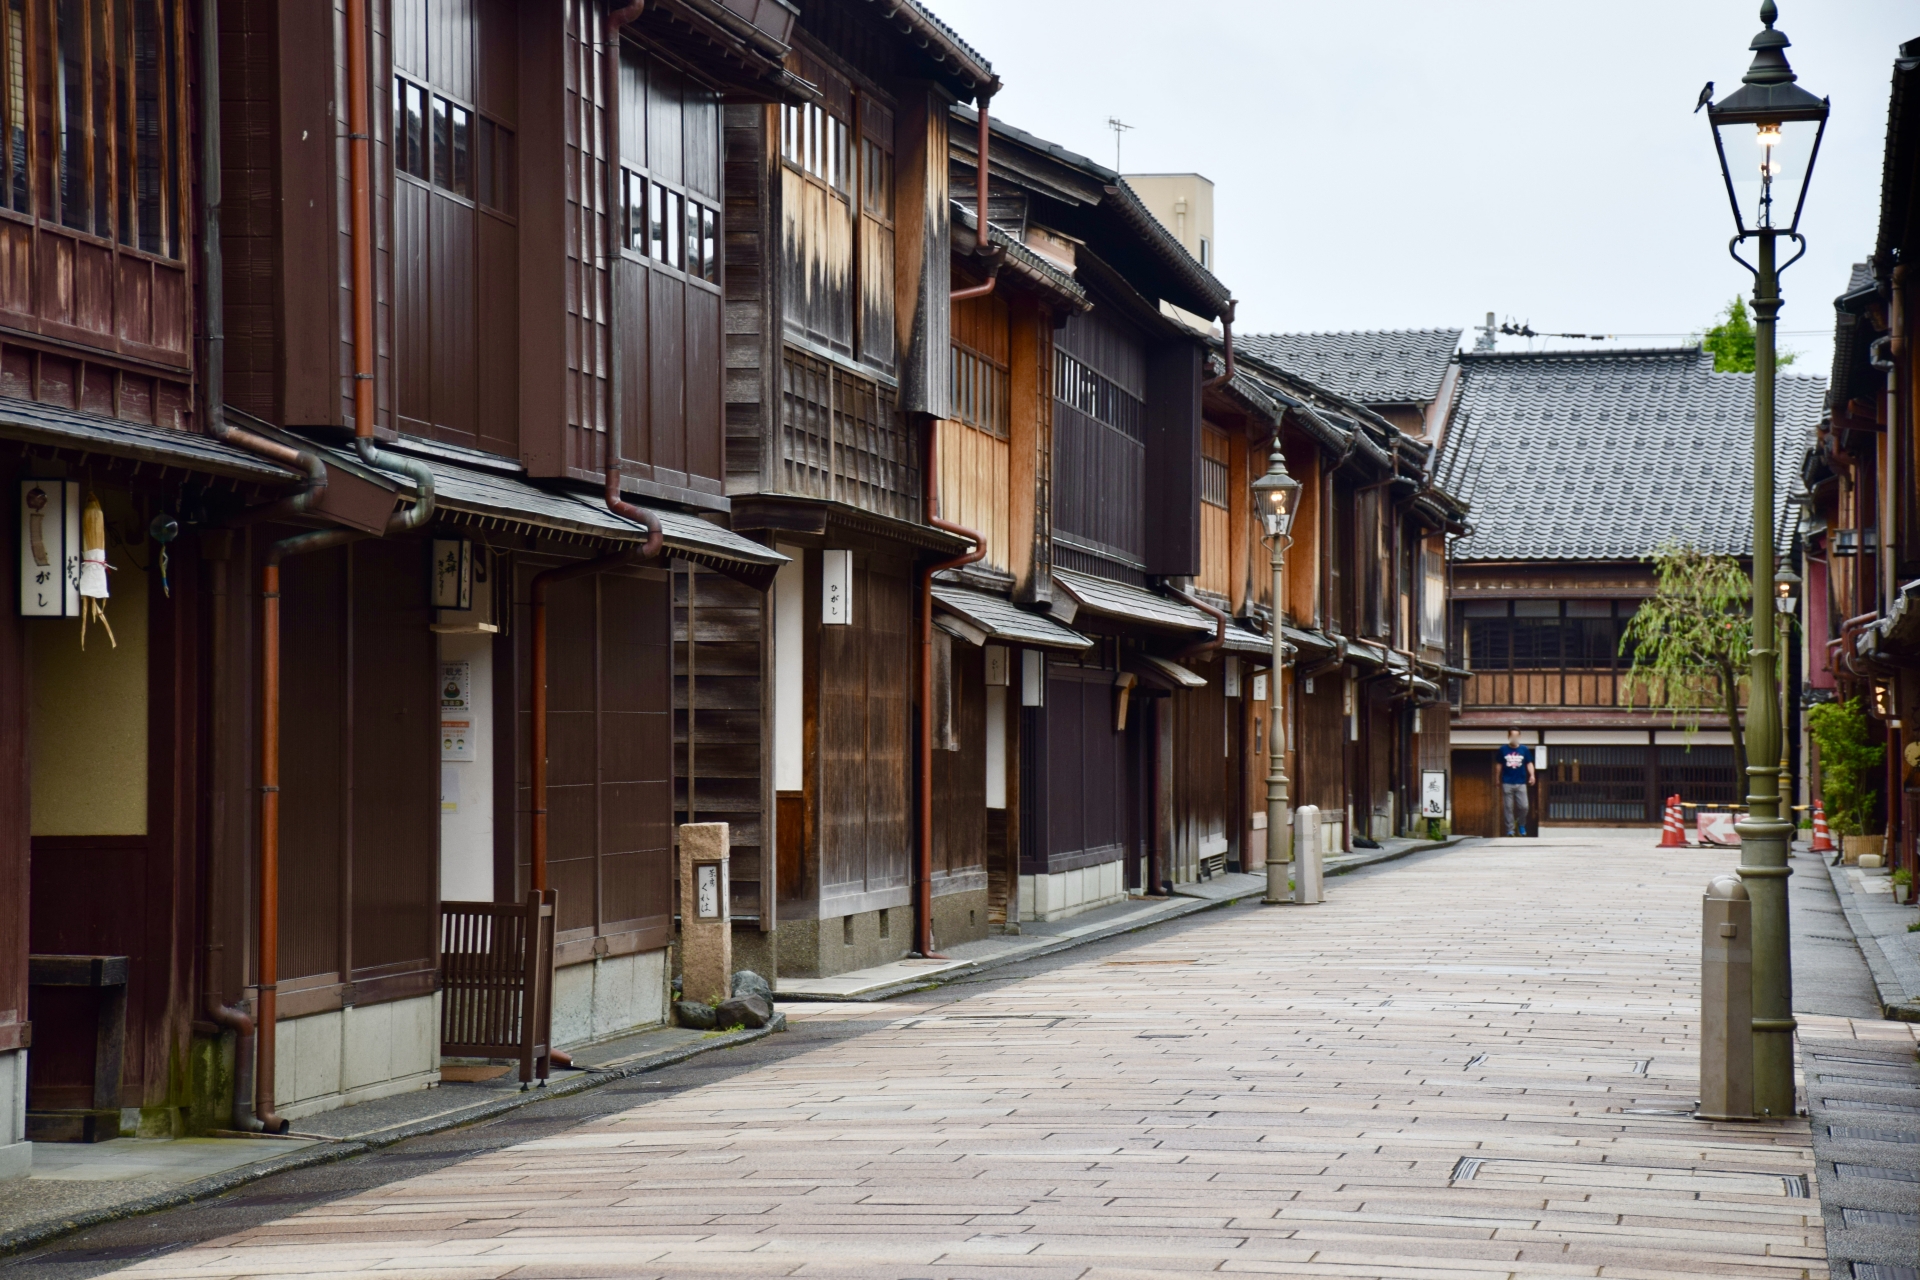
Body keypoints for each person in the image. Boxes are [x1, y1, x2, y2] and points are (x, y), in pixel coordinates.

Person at [1499, 729, 1535, 837]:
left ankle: (1521, 823)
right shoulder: (1503, 749)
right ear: (1508, 736)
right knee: (1508, 807)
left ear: (1519, 737)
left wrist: (1532, 775)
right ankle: (1510, 829)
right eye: (1512, 735)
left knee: (1524, 806)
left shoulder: (1524, 749)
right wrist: (1497, 778)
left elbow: (1529, 763)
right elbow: (1499, 765)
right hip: (1507, 782)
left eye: (1516, 736)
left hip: (1521, 782)